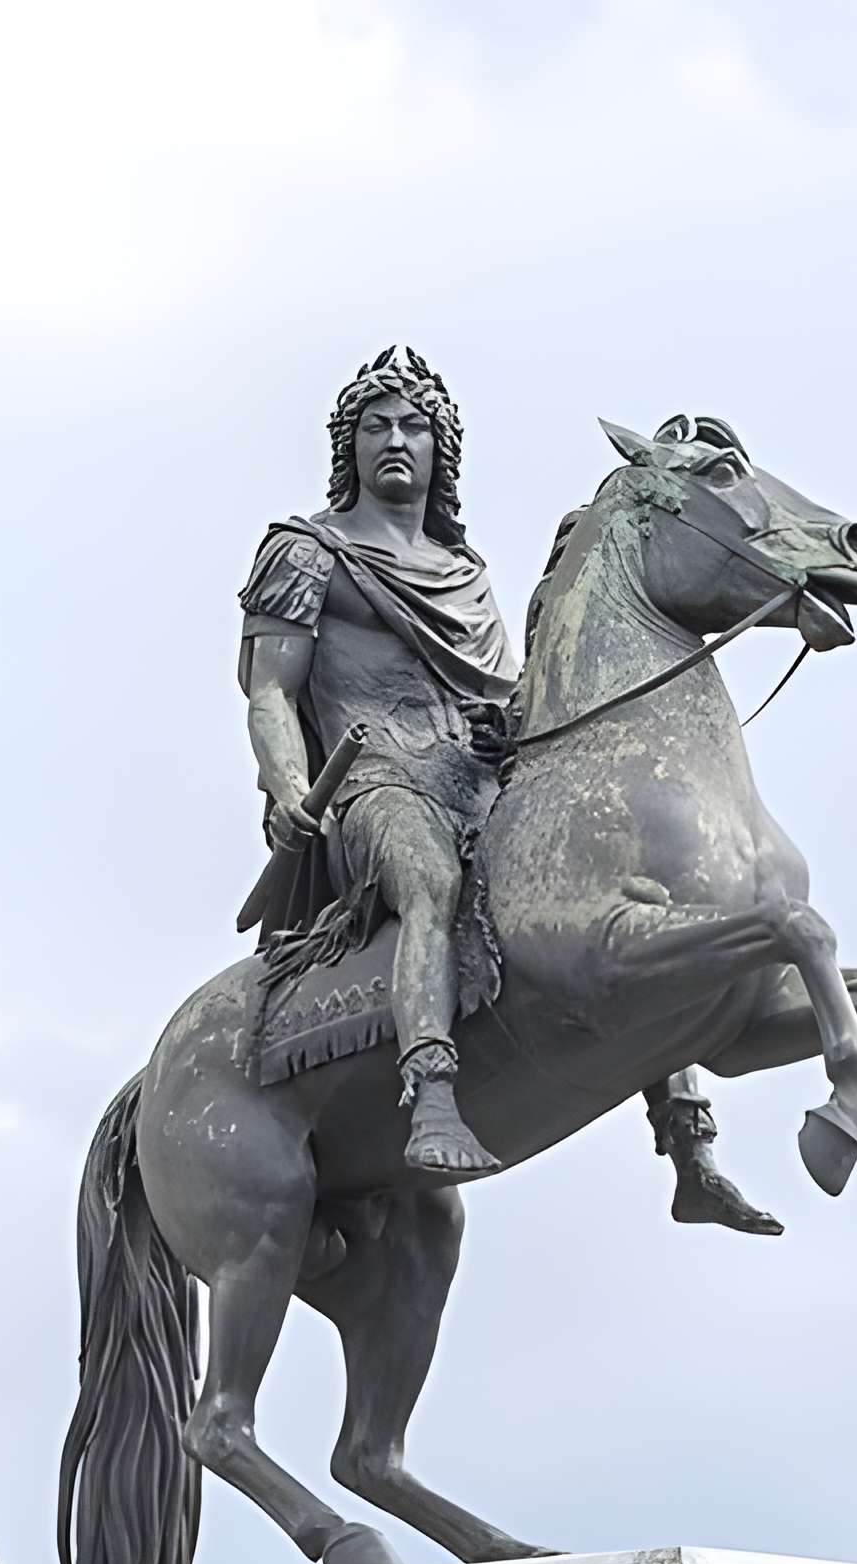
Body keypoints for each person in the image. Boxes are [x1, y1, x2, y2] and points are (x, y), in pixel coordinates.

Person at [239, 346, 778, 1227]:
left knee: (615, 886)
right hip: (376, 777)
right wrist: (291, 781)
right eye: (376, 426)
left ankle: (691, 1147)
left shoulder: (465, 572)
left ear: (439, 448)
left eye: (414, 426)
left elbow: (497, 690)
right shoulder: (308, 553)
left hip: (475, 772)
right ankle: (432, 1093)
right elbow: (271, 690)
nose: (396, 441)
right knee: (430, 881)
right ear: (351, 447)